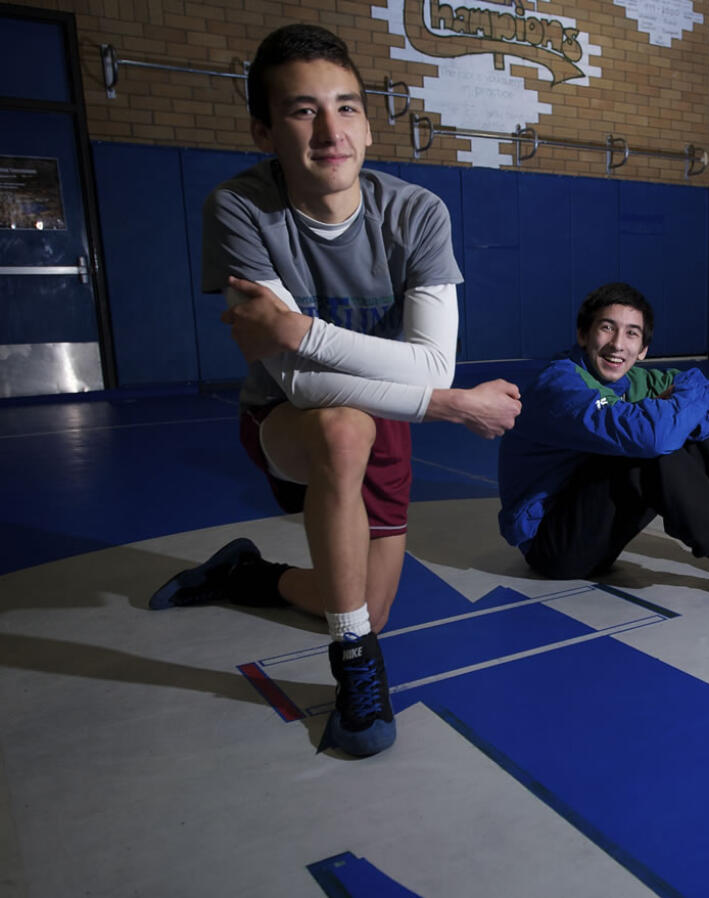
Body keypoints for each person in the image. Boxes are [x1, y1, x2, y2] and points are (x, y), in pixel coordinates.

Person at [147, 24, 521, 759]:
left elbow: (429, 368)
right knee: (342, 425)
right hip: (287, 417)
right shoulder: (241, 210)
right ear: (264, 130)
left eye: (347, 108)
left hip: (389, 413)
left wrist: (297, 330)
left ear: (369, 122)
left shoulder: (417, 214)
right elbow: (296, 379)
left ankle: (247, 574)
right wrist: (450, 406)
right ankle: (355, 665)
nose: (330, 131)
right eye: (302, 111)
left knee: (366, 604)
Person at [497, 282, 709, 603]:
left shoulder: (635, 380)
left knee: (686, 427)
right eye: (607, 328)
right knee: (650, 446)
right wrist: (677, 410)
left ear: (643, 350)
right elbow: (652, 436)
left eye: (631, 333)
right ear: (583, 335)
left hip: (595, 533)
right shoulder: (560, 383)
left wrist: (680, 410)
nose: (617, 345)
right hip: (553, 546)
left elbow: (706, 391)